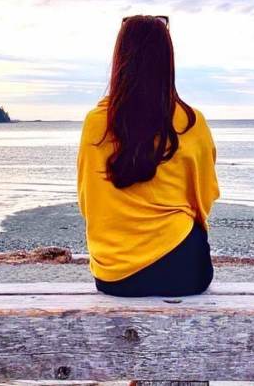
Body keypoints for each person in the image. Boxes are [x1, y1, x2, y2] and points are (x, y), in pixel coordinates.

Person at [77, 15, 219, 297]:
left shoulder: (96, 123)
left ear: (120, 60)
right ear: (167, 61)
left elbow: (87, 200)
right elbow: (204, 198)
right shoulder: (191, 122)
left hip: (113, 274)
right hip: (182, 270)